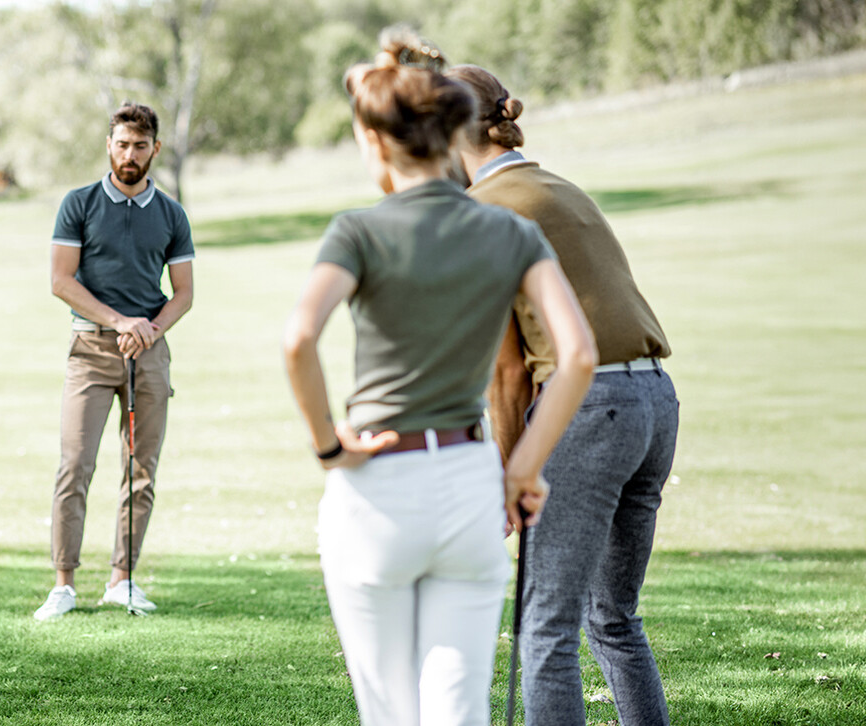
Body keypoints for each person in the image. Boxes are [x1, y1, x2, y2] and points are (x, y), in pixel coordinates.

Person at [281, 30, 597, 726]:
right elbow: (576, 356)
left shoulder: (357, 231)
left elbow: (299, 336)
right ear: (455, 134)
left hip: (375, 487)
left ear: (375, 143)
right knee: (457, 712)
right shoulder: (508, 232)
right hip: (467, 478)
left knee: (389, 712)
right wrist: (522, 470)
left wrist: (328, 449)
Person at [447, 64, 680, 726]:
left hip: (588, 413)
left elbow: (507, 371)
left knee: (543, 627)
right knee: (610, 616)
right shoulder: (558, 186)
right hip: (654, 404)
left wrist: (510, 472)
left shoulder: (483, 212)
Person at [32, 102, 196, 621]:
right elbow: (62, 282)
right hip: (91, 350)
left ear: (155, 150)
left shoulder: (171, 214)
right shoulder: (79, 204)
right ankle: (64, 584)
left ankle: (122, 581)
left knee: (141, 471)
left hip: (148, 353)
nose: (130, 155)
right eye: (122, 144)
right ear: (109, 144)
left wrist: (148, 329)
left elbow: (184, 293)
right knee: (74, 466)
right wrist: (121, 320)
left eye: (140, 146)